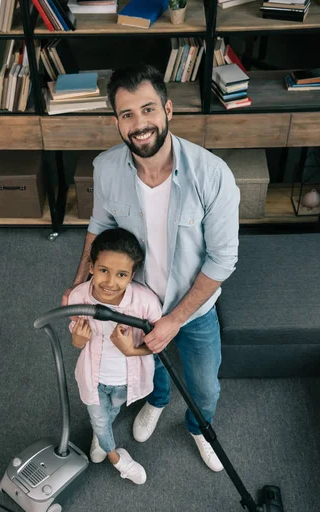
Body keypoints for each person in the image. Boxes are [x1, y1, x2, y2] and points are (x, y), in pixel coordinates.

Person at [63, 64, 240, 473]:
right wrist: (79, 286)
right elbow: (100, 229)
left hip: (191, 310)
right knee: (148, 365)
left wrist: (175, 320)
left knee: (204, 385)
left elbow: (222, 259)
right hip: (134, 303)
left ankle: (199, 426)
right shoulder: (106, 168)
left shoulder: (212, 175)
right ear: (117, 121)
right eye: (127, 114)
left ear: (168, 110)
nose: (139, 124)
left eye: (148, 110)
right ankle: (157, 402)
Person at [68, 227, 162, 485]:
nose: (110, 282)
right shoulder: (78, 297)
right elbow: (75, 335)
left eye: (121, 274)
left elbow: (160, 343)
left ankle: (101, 434)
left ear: (132, 274)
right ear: (91, 266)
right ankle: (117, 457)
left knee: (112, 410)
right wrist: (77, 340)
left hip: (125, 380)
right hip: (93, 377)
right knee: (98, 415)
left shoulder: (145, 303)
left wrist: (131, 349)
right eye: (103, 270)